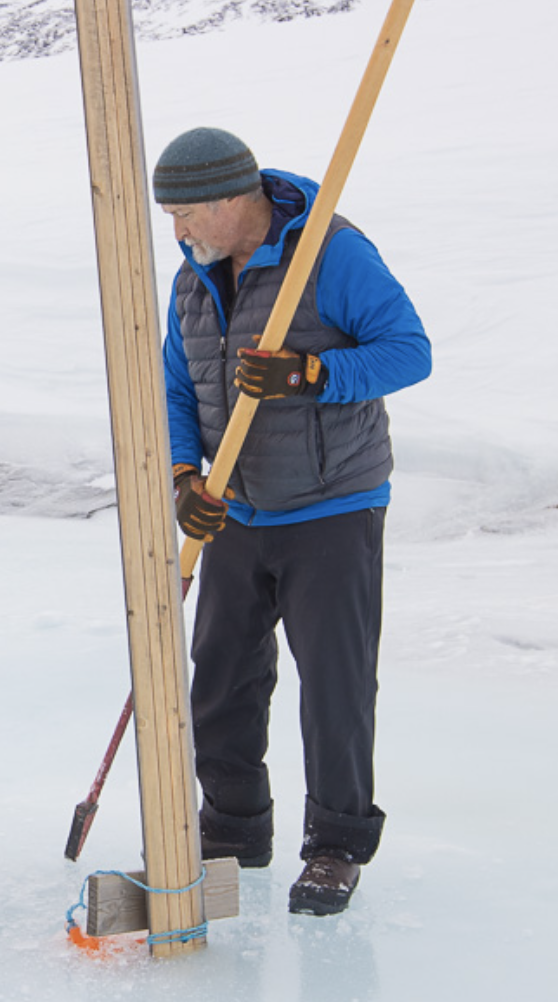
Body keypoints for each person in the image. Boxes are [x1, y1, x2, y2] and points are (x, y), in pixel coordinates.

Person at [152, 128, 431, 916]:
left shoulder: (330, 254)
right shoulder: (191, 280)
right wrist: (184, 477)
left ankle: (337, 845)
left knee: (334, 684)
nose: (178, 233)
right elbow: (178, 386)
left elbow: (410, 351)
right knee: (223, 677)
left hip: (332, 504)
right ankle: (235, 831)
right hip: (236, 507)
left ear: (233, 200)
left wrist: (312, 373)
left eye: (185, 215)